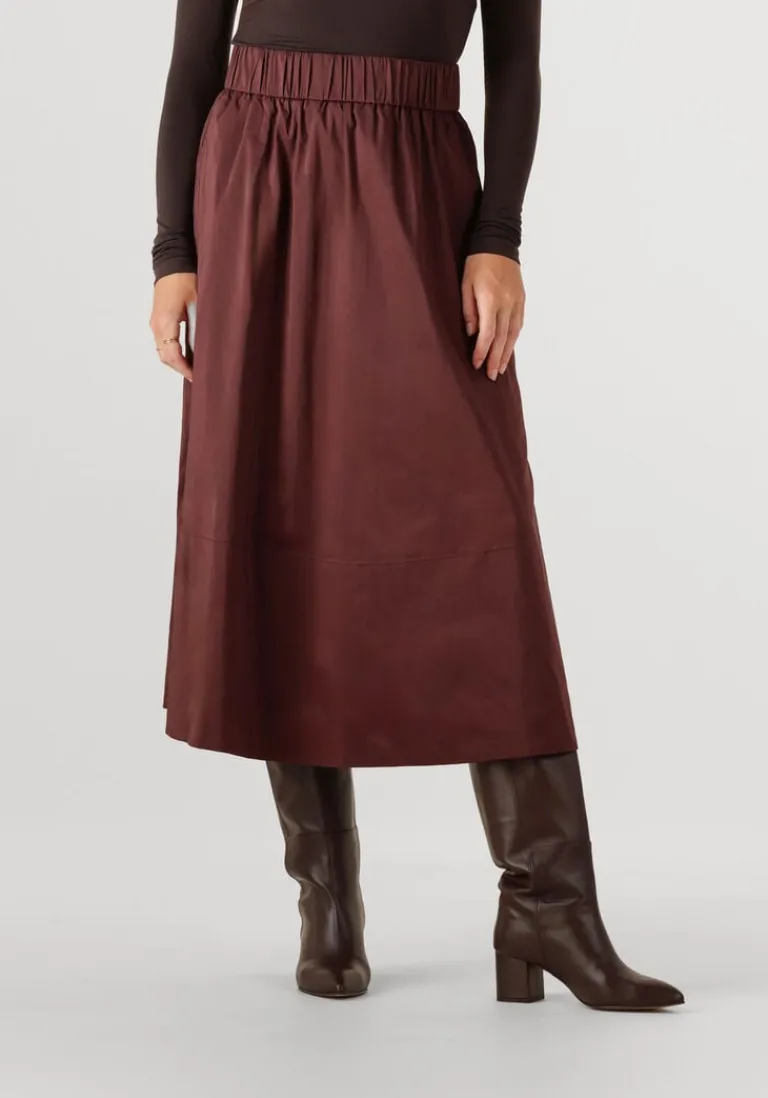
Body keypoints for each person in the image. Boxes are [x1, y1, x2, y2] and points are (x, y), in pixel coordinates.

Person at [148, 0, 684, 1010]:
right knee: (282, 519)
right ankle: (327, 903)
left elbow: (515, 63)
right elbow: (194, 64)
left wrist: (499, 235)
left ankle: (548, 904)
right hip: (260, 179)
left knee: (485, 537)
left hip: (419, 186)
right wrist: (175, 249)